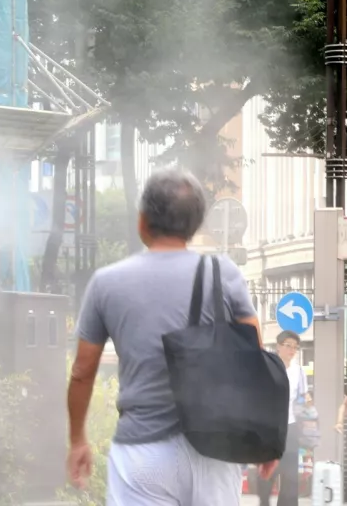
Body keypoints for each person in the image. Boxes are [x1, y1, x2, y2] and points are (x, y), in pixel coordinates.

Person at [66, 168, 275, 505]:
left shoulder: (106, 282)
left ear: (142, 221)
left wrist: (78, 439)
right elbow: (254, 358)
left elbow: (81, 371)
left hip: (142, 453)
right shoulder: (224, 273)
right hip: (216, 450)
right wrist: (264, 436)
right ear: (196, 225)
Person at [255, 331, 309, 506]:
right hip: (269, 428)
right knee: (267, 474)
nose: (292, 350)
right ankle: (264, 502)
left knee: (291, 476)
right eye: (288, 345)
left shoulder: (299, 371)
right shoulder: (266, 366)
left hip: (291, 428)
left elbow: (303, 397)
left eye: (295, 347)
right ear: (278, 346)